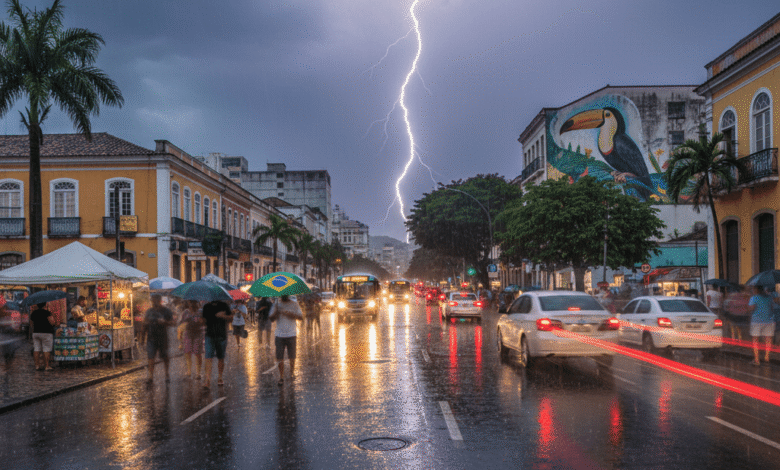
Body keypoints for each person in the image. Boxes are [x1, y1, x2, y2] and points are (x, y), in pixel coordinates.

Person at [269, 295, 303, 385]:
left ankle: (291, 373)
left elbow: (301, 317)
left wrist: (291, 314)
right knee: (279, 357)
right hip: (279, 334)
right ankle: (281, 377)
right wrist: (276, 311)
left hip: (291, 333)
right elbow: (271, 318)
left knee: (292, 356)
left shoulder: (294, 304)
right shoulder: (276, 304)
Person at [144, 293, 176, 383]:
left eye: (156, 300)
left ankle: (167, 374)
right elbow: (145, 322)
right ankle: (150, 377)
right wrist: (142, 336)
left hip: (163, 337)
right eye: (153, 300)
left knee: (165, 356)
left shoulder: (166, 311)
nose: (154, 302)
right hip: (151, 337)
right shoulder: (149, 311)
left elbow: (173, 323)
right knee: (151, 357)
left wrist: (164, 322)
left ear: (160, 300)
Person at [202, 299, 233, 388]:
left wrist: (223, 316)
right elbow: (204, 321)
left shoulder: (224, 305)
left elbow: (231, 318)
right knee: (208, 358)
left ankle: (220, 377)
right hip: (209, 335)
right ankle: (207, 379)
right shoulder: (206, 307)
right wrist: (201, 321)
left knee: (221, 358)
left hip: (221, 336)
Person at [748, 285, 775, 365]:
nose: (752, 290)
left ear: (756, 289)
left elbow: (751, 308)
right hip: (769, 321)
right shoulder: (769, 297)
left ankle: (757, 360)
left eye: (753, 289)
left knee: (755, 340)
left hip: (757, 321)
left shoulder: (754, 298)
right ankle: (766, 357)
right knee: (768, 339)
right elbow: (772, 308)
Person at [180, 300, 205, 379]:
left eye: (195, 303)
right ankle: (189, 371)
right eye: (191, 303)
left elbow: (205, 322)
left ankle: (198, 373)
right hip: (188, 333)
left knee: (198, 353)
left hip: (198, 333)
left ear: (198, 304)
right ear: (189, 304)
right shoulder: (186, 312)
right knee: (187, 352)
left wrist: (202, 321)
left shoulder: (201, 312)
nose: (193, 305)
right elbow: (181, 322)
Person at [30, 302, 55, 371]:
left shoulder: (33, 313)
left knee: (36, 349)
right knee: (46, 349)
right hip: (46, 333)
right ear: (45, 305)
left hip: (36, 333)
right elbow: (52, 322)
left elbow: (31, 323)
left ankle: (37, 366)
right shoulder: (47, 313)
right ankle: (46, 366)